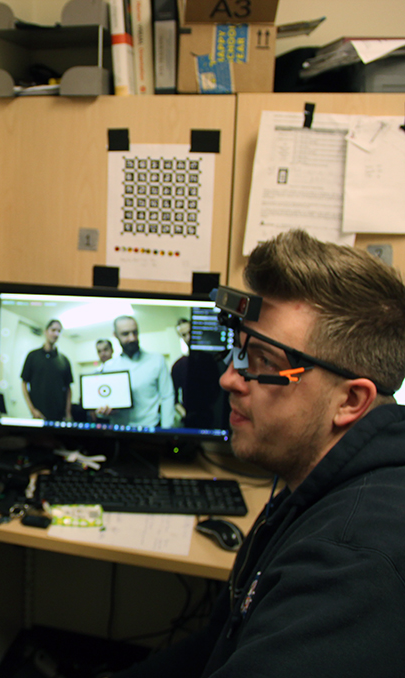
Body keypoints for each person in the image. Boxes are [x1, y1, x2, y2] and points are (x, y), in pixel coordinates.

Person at [109, 229, 405, 677]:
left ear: (350, 402)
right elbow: (214, 645)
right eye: (240, 350)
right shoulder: (311, 485)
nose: (230, 379)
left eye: (265, 361)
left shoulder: (351, 564)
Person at [102, 316, 174, 428]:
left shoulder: (157, 360)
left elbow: (167, 396)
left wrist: (167, 431)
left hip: (150, 429)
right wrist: (104, 412)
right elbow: (103, 403)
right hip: (120, 431)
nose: (132, 338)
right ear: (115, 335)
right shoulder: (109, 367)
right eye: (125, 334)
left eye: (135, 332)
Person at [21, 319, 73, 421]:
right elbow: (24, 383)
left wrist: (68, 413)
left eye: (59, 331)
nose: (56, 334)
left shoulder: (64, 360)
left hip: (59, 417)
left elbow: (68, 388)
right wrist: (32, 410)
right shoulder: (32, 356)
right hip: (38, 416)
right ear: (45, 332)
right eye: (53, 330)